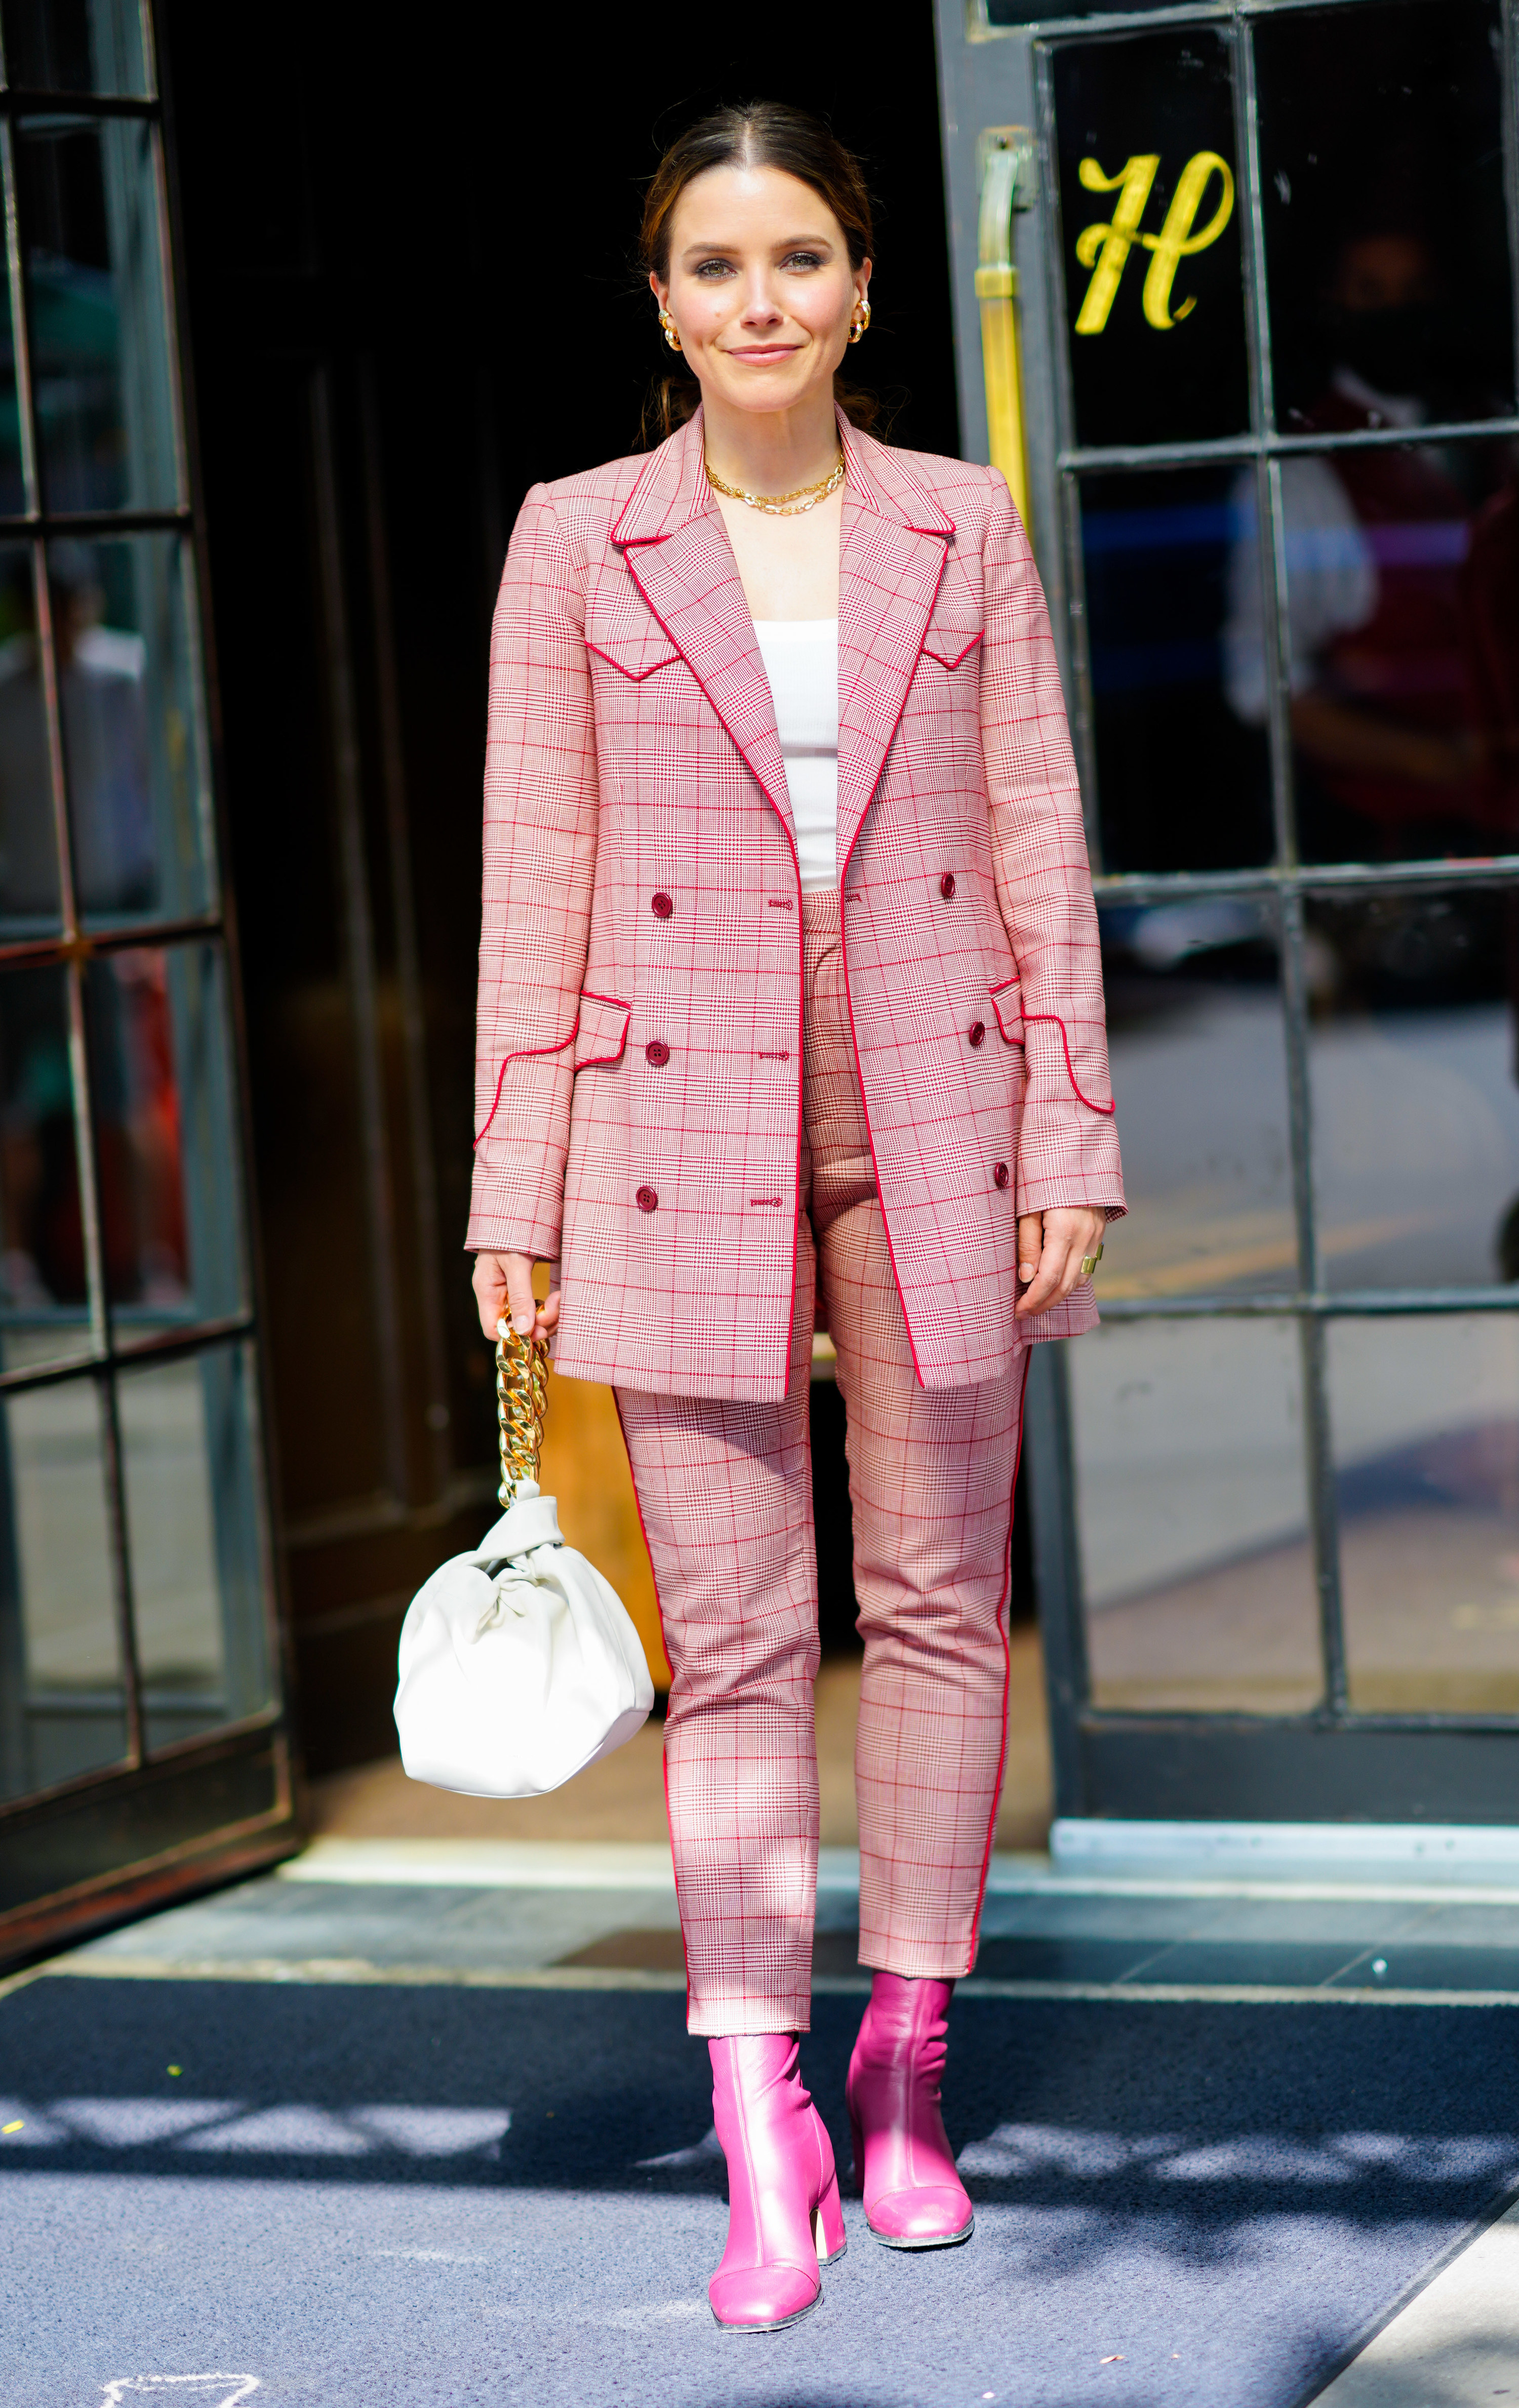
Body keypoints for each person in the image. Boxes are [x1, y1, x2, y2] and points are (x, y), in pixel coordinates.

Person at [468, 103, 1124, 2332]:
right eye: (717, 265)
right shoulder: (576, 543)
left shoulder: (961, 522)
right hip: (667, 1128)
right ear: (661, 301)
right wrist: (510, 1192)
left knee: (943, 1610)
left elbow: (1040, 840)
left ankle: (911, 2056)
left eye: (803, 258)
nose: (763, 301)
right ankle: (766, 2120)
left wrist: (1079, 1136)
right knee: (739, 1648)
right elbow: (534, 891)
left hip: (942, 1114)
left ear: (864, 290)